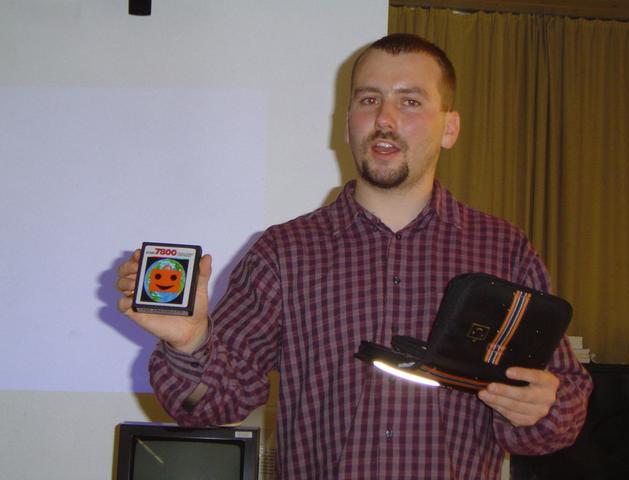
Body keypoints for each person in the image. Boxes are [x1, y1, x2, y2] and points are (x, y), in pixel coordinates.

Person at [116, 33, 592, 479]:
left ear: (450, 128)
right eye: (368, 99)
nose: (385, 119)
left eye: (409, 101)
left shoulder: (504, 250)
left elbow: (563, 408)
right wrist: (190, 343)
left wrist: (541, 407)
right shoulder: (284, 253)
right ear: (346, 123)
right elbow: (210, 406)